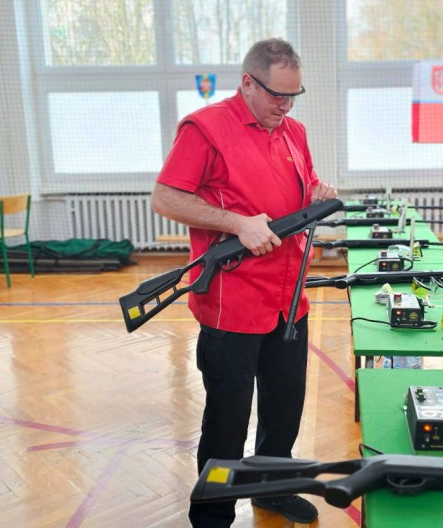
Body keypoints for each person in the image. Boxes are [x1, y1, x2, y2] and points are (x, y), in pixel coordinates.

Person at [151, 38, 337, 527]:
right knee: (228, 420)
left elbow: (304, 186)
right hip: (232, 303)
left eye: (294, 95)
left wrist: (319, 192)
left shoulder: (293, 131)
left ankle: (270, 489)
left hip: (288, 298)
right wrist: (236, 222)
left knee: (283, 410)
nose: (286, 105)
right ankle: (212, 513)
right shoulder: (206, 128)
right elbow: (166, 198)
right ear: (248, 83)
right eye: (278, 95)